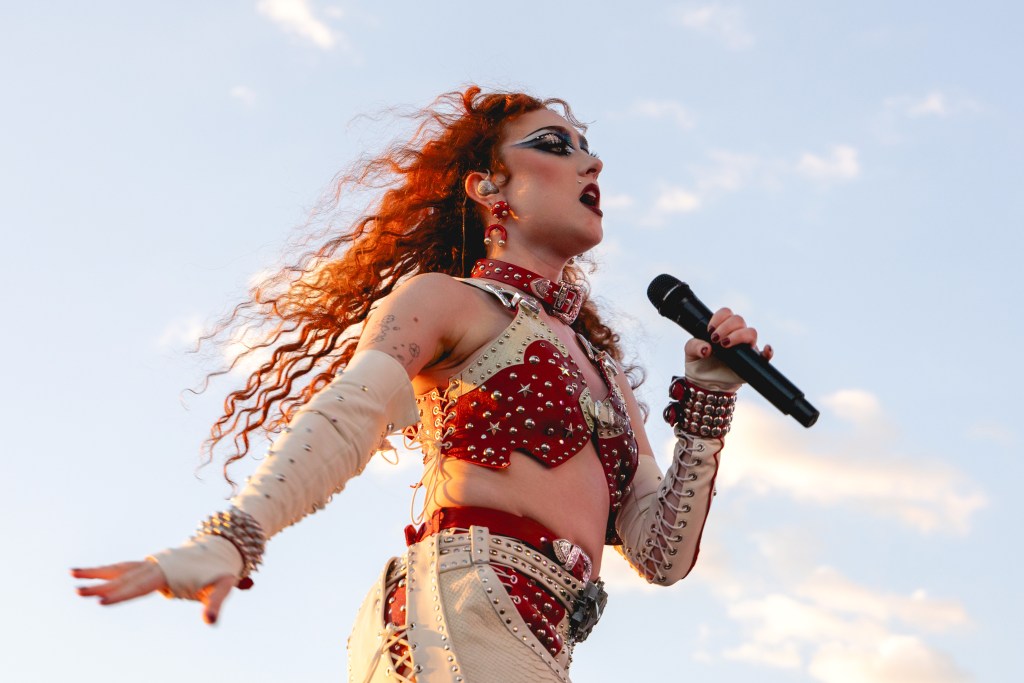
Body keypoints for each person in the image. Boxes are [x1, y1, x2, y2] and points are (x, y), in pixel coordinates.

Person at [72, 86, 770, 683]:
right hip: (459, 611)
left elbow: (661, 553)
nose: (592, 161)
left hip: (544, 634)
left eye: (588, 147)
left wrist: (709, 400)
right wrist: (235, 537)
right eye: (555, 144)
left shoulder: (607, 373)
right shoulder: (447, 301)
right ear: (488, 187)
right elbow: (353, 411)